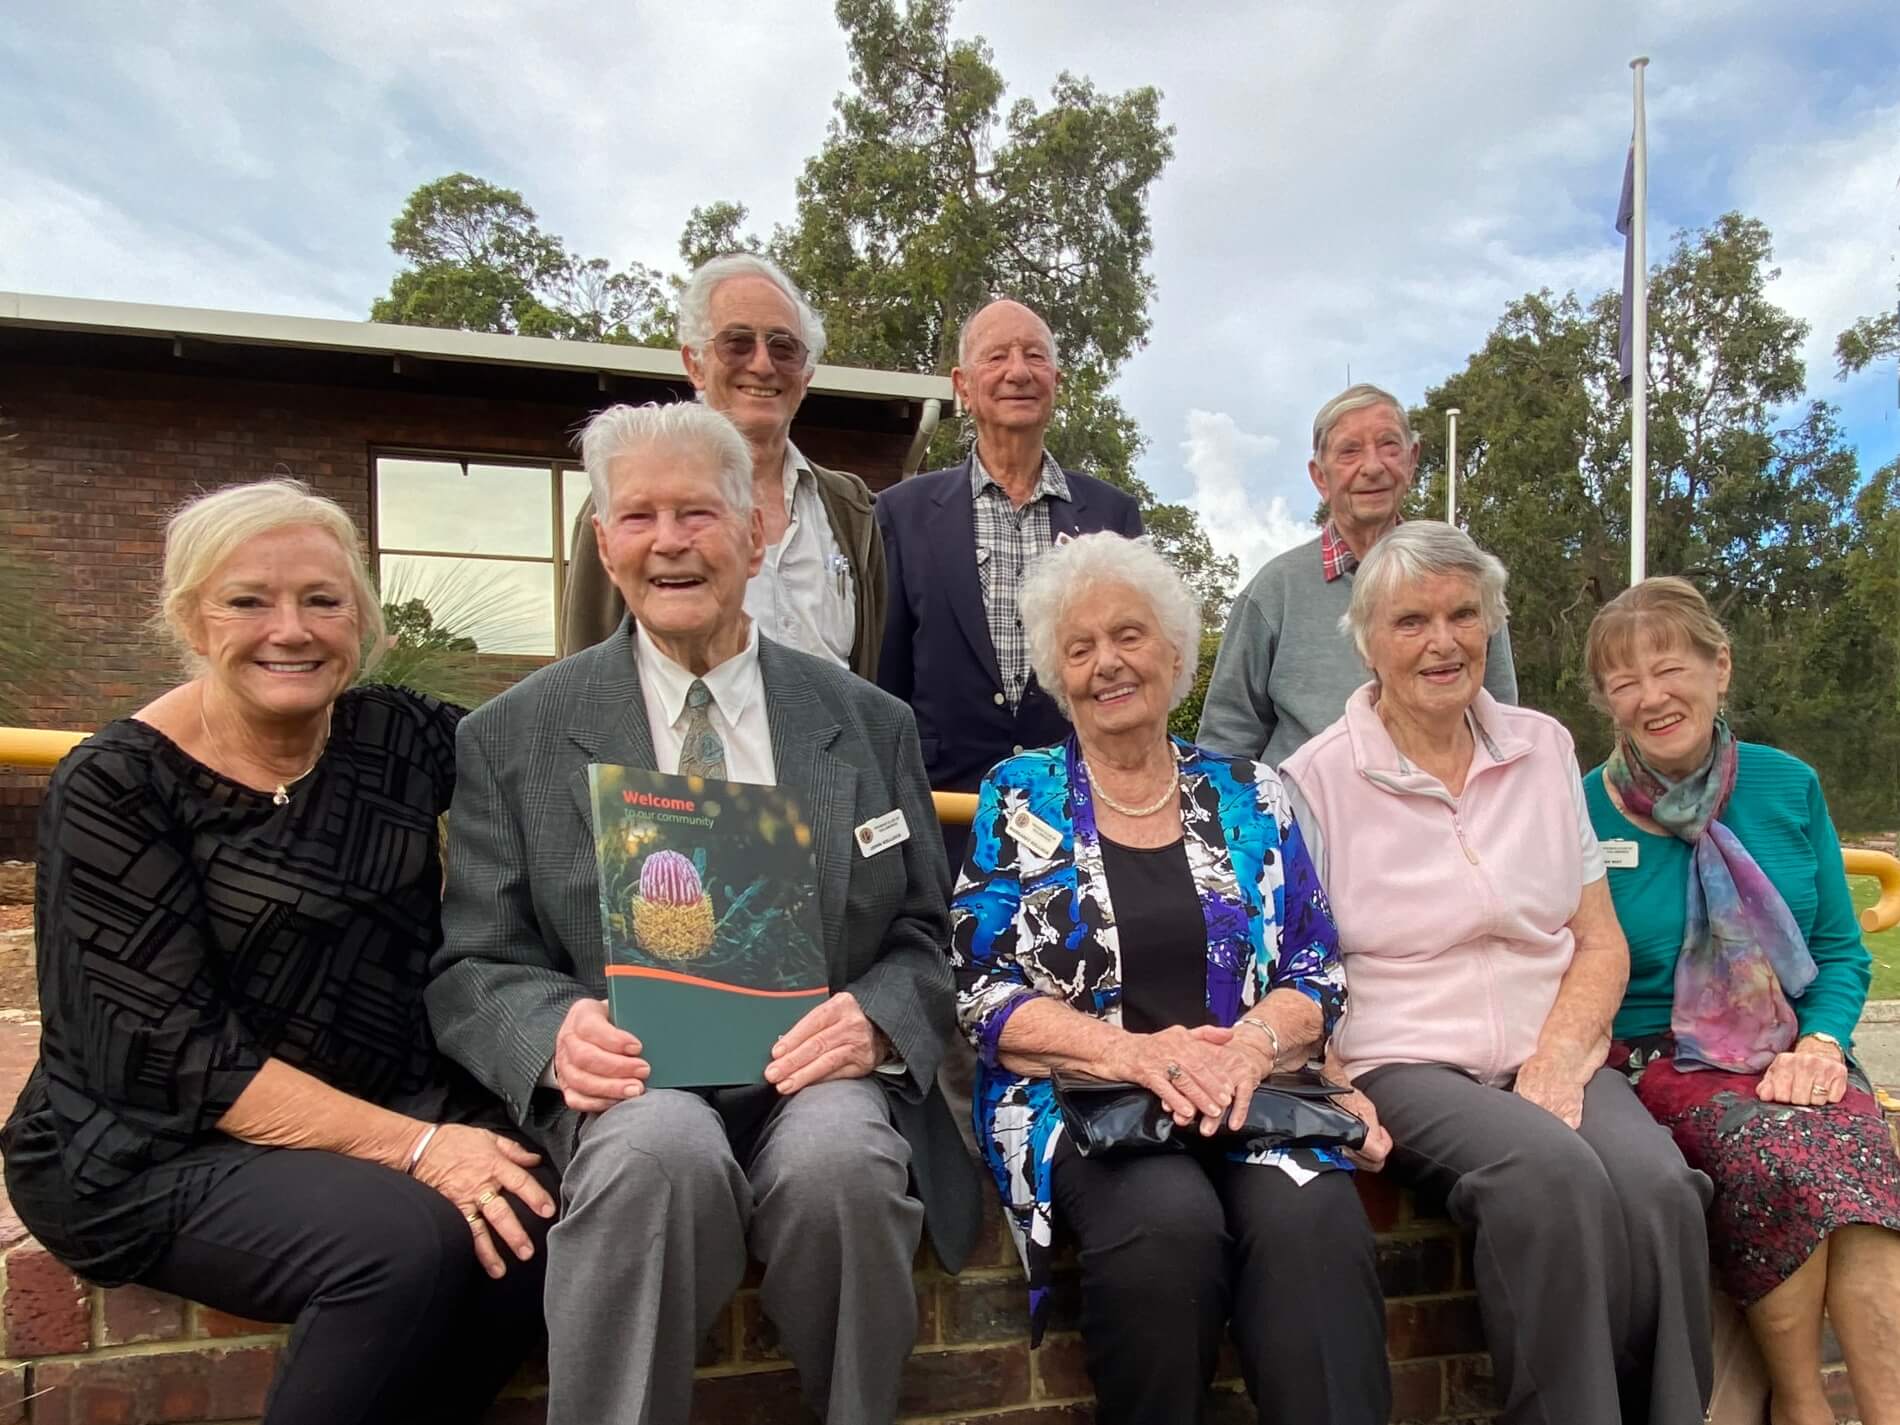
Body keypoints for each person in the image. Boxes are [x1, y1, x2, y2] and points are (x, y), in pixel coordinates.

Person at [428, 401, 982, 1425]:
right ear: (603, 541)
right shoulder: (514, 734)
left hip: (813, 1079)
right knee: (656, 1156)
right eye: (636, 517)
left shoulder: (868, 725)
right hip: (633, 1086)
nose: (669, 543)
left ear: (756, 533)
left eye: (698, 512)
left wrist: (874, 1018)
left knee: (845, 1167)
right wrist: (552, 1034)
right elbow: (475, 961)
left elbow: (922, 934)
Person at [0, 480, 555, 1425]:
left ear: (362, 618)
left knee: (536, 1216)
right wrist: (420, 1148)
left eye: (322, 600)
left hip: (379, 1092)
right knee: (403, 1241)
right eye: (248, 601)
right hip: (154, 1142)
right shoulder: (117, 788)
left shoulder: (397, 733)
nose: (289, 630)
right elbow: (177, 1056)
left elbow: (556, 782)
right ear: (189, 617)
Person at [1278, 522, 1713, 1425]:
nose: (1442, 641)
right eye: (1411, 621)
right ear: (1368, 640)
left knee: (1661, 1190)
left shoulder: (1544, 747)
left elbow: (1598, 938)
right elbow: (1297, 967)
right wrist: (1326, 1081)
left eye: (1463, 614)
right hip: (1405, 1055)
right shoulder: (1312, 779)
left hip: (1549, 1041)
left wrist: (1558, 1054)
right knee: (1549, 1176)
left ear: (1491, 626)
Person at [951, 531, 1389, 1425]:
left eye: (1130, 635)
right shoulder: (1019, 793)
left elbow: (1316, 962)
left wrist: (1252, 1048)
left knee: (1317, 1226)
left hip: (1247, 1091)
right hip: (1087, 1099)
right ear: (1056, 672)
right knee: (1167, 1229)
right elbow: (983, 990)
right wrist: (1135, 1054)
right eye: (1080, 648)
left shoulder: (1250, 792)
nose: (1107, 662)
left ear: (1177, 653)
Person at [1583, 576, 1900, 1425]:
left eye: (1671, 666)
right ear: (1607, 701)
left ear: (1719, 666)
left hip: (1798, 1050)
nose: (1652, 696)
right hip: (1660, 1055)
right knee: (1781, 1153)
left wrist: (1825, 1044)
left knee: (1865, 1170)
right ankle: (1802, 1404)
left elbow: (1838, 949)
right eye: (1624, 680)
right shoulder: (1579, 808)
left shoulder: (1787, 784)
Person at [876, 297, 1142, 871]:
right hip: (942, 822)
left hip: (1082, 819)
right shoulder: (900, 514)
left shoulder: (1112, 515)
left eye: (1035, 357)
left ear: (1056, 381)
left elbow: (1134, 666)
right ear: (963, 387)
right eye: (996, 356)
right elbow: (885, 681)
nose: (1018, 371)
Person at [559, 252, 886, 676]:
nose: (763, 365)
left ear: (805, 377)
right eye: (737, 343)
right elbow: (587, 673)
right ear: (694, 363)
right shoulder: (626, 509)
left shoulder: (851, 510)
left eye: (784, 348)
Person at [1197, 383, 1517, 763]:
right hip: (1309, 816)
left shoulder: (1462, 577)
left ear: (1412, 461)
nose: (1372, 467)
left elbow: (1499, 717)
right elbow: (1225, 744)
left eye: (1389, 446)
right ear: (1319, 476)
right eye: (1350, 451)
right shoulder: (1274, 592)